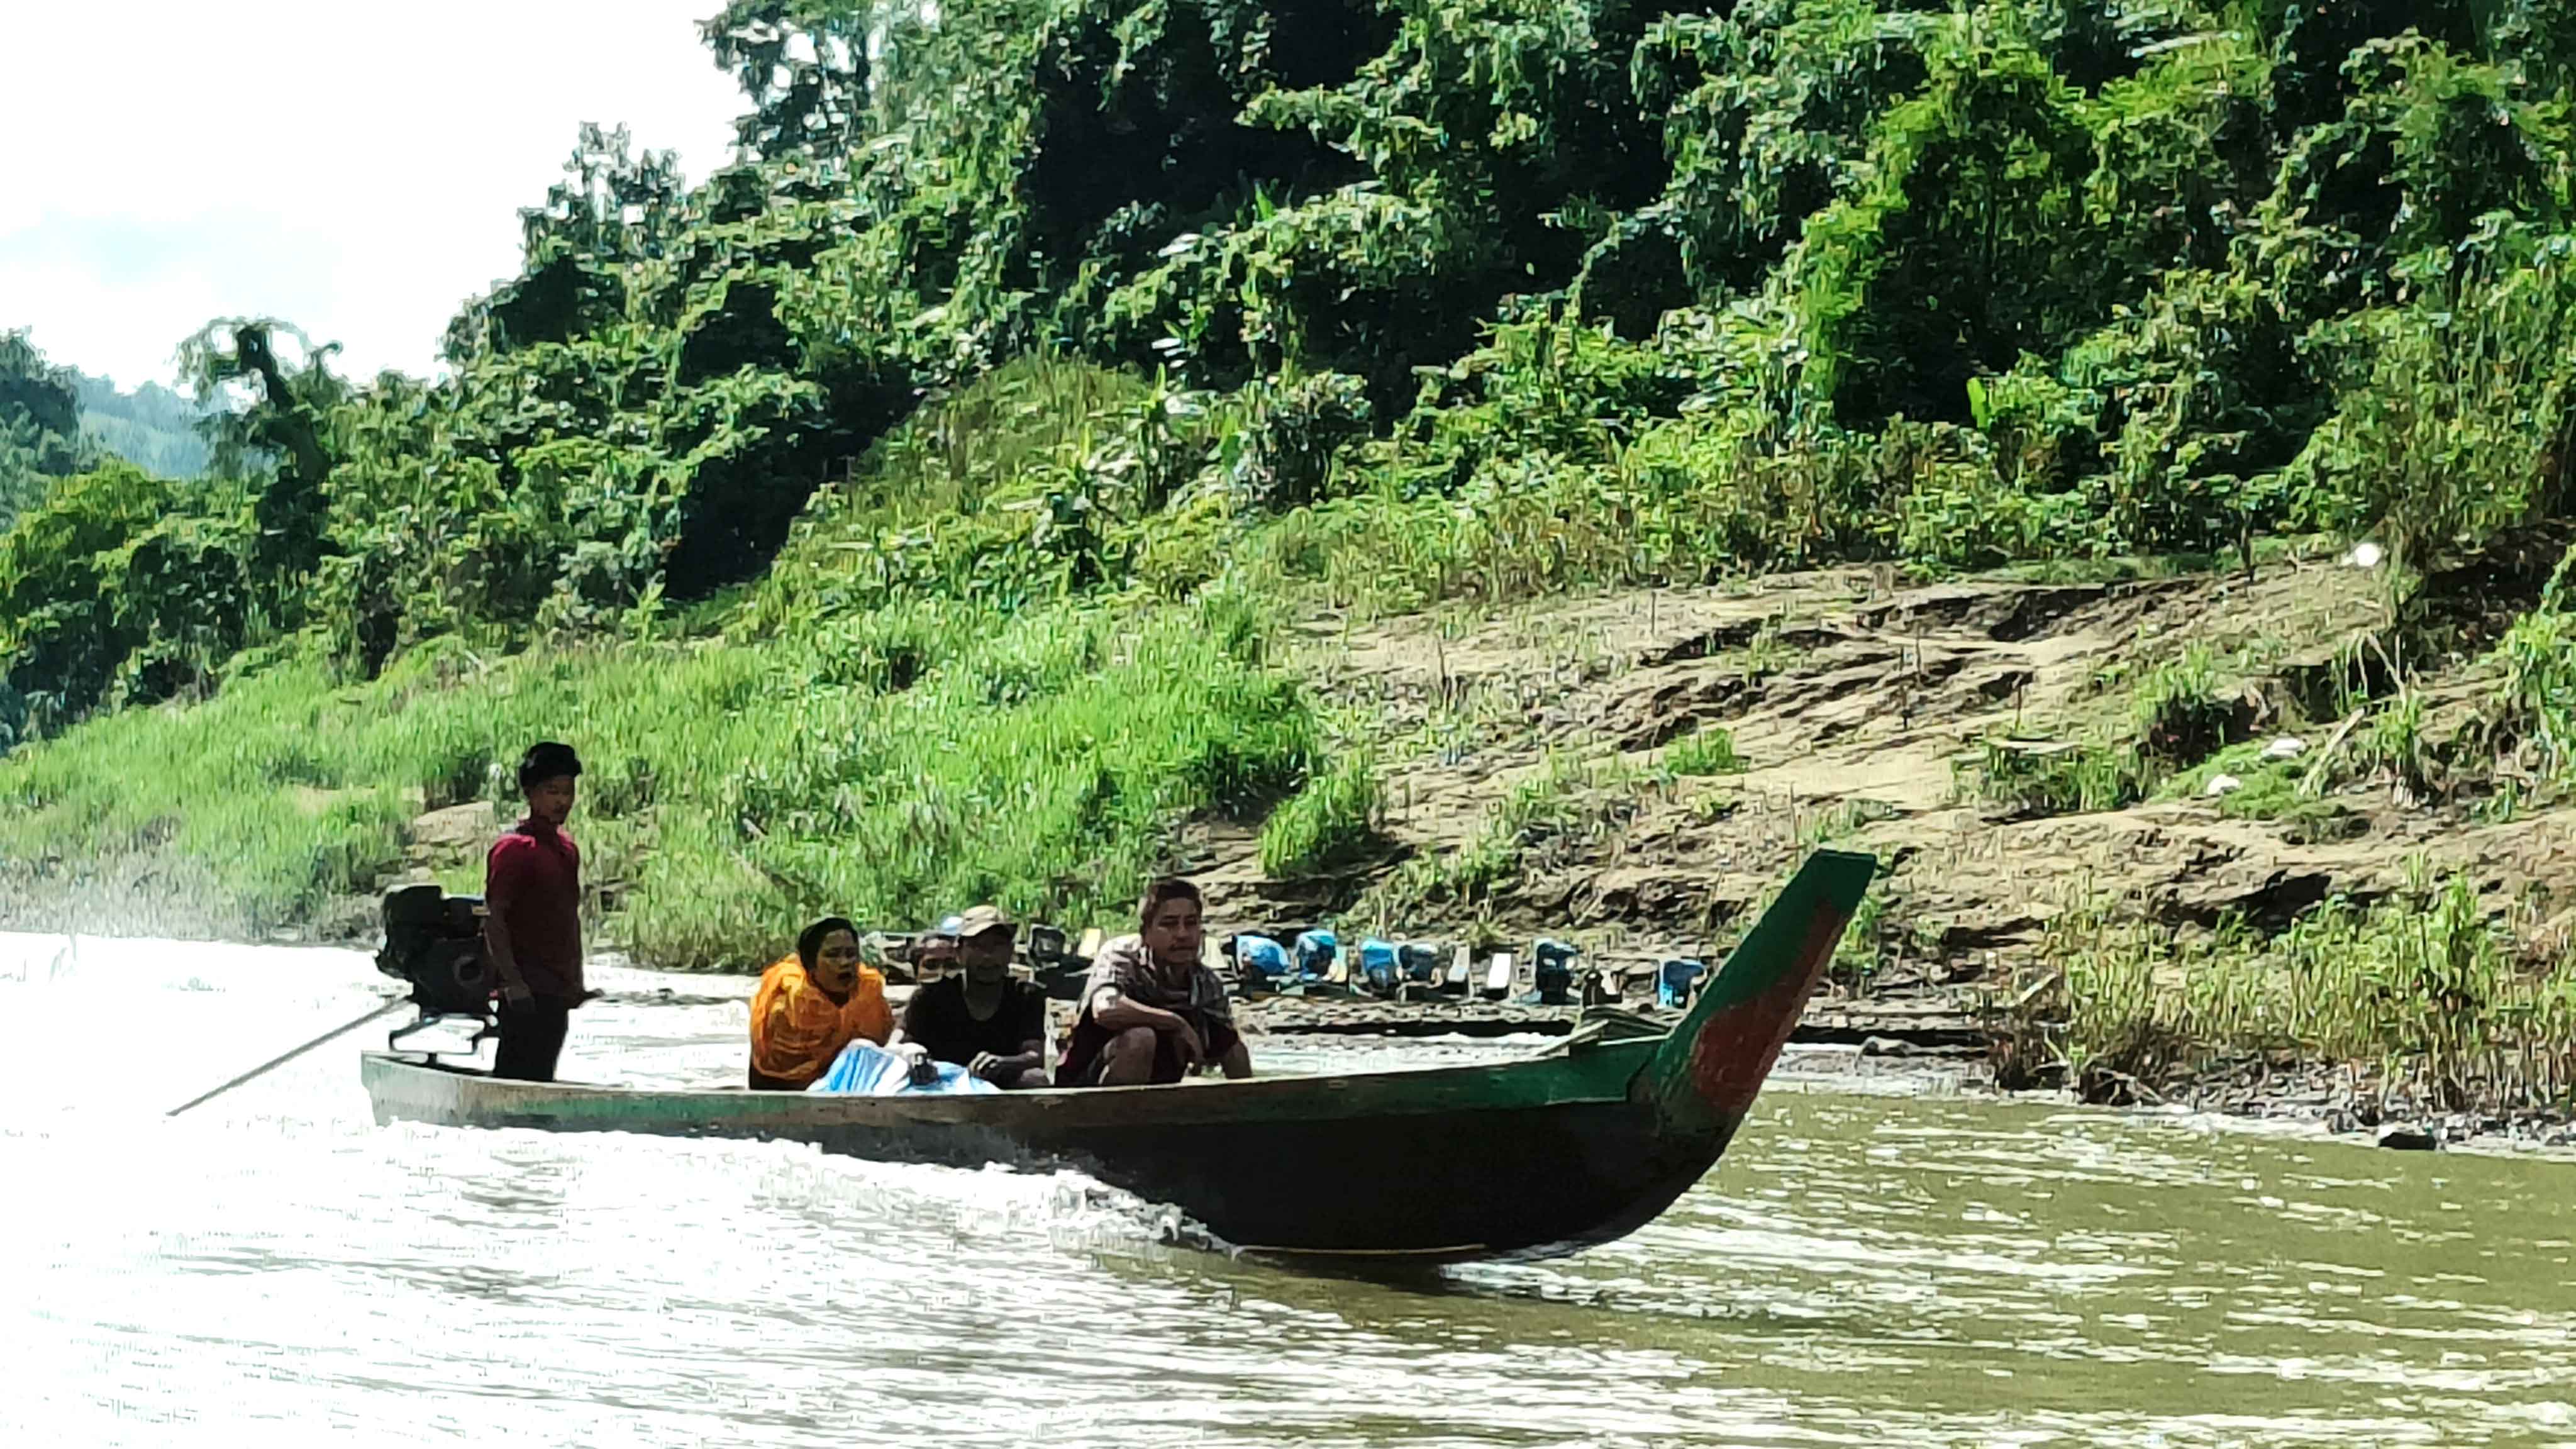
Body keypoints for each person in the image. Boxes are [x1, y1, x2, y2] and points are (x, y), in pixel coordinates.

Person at [1058, 877, 1252, 1087]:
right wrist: (1175, 1023)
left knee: (1235, 1049)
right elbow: (1105, 1009)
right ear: (1146, 933)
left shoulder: (1206, 983)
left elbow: (1229, 1047)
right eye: (1169, 925)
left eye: (1191, 923)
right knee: (1141, 1039)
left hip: (1158, 1086)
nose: (1182, 934)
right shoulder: (1122, 956)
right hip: (1086, 1082)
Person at [483, 741, 587, 1082]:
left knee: (543, 1077)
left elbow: (569, 920)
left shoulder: (567, 850)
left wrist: (576, 982)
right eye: (552, 791)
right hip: (524, 992)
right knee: (515, 1080)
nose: (562, 801)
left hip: (557, 991)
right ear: (530, 794)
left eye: (568, 792)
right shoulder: (512, 850)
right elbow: (495, 920)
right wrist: (513, 983)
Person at [889, 904, 1050, 1089]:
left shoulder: (1025, 996)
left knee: (1035, 1079)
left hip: (1003, 1091)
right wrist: (913, 1055)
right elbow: (894, 1046)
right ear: (959, 953)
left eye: (997, 946)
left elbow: (1035, 1055)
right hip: (939, 1090)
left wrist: (1005, 1063)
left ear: (1010, 951)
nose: (988, 956)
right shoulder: (930, 997)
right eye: (978, 946)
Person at [749, 916, 895, 1091]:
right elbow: (779, 1071)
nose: (845, 963)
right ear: (810, 964)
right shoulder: (788, 1004)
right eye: (832, 955)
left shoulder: (870, 995)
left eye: (851, 954)